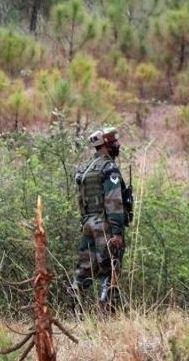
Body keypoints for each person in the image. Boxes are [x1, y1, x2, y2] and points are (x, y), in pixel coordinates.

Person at [69, 127, 129, 311]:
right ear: (106, 145)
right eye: (114, 142)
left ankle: (75, 309)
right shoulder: (109, 168)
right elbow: (113, 201)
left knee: (84, 269)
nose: (117, 145)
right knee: (110, 267)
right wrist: (117, 232)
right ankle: (107, 311)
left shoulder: (85, 169)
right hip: (105, 224)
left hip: (88, 223)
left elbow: (82, 200)